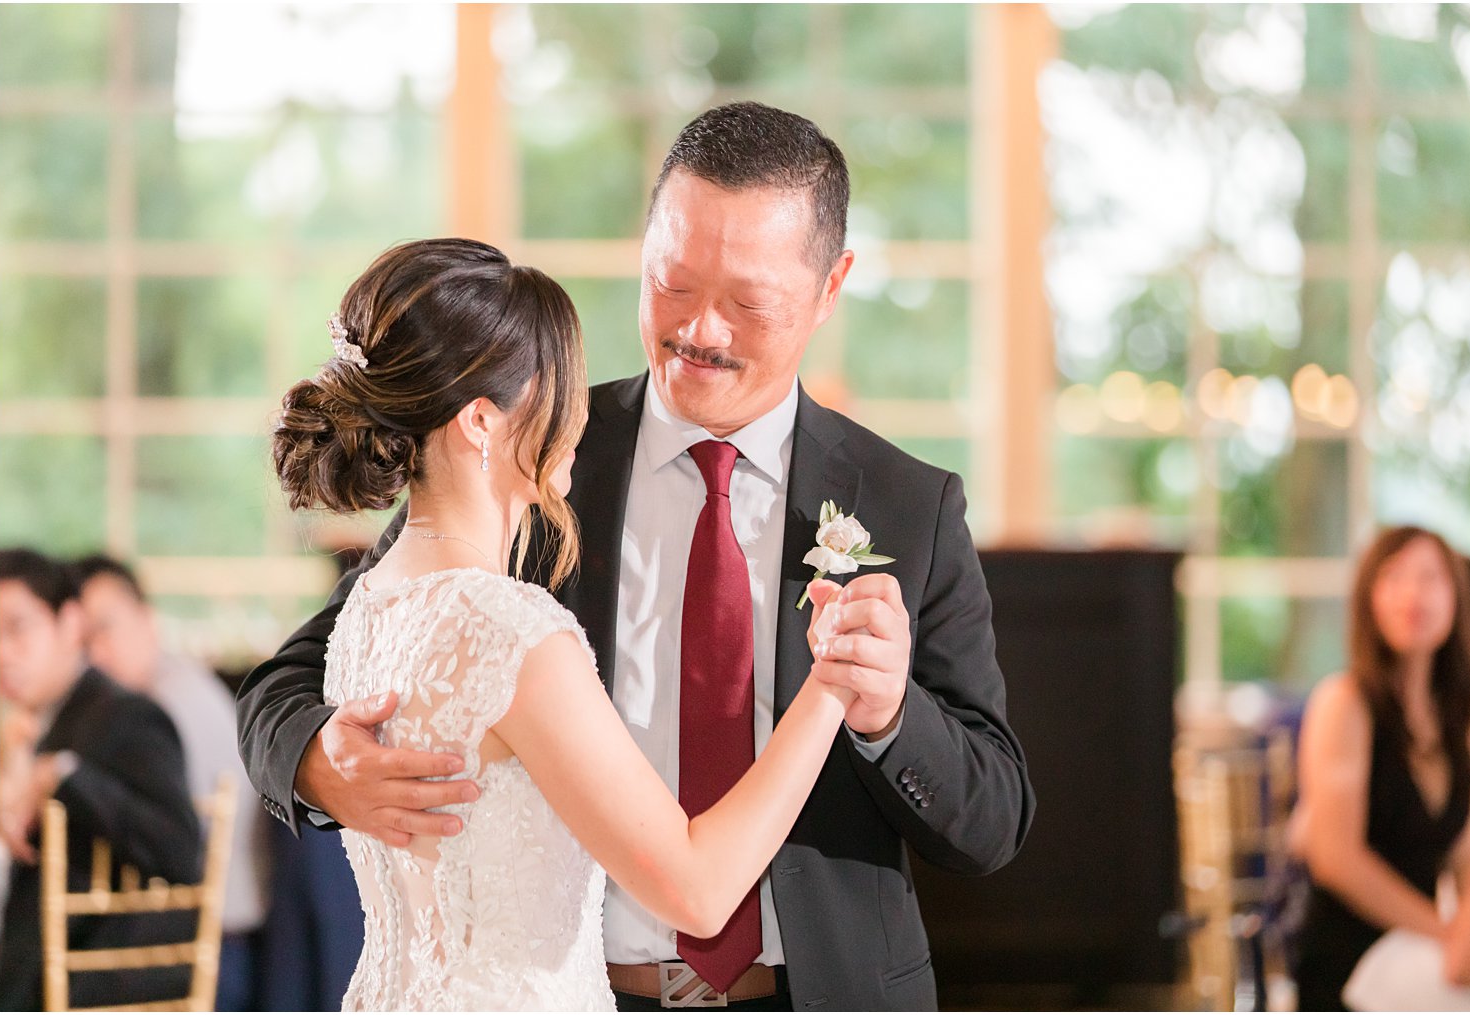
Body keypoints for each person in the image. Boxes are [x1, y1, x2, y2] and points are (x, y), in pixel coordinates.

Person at [238, 102, 1034, 1010]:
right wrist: (315, 762)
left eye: (747, 303)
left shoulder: (909, 504)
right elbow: (299, 673)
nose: (702, 330)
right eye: (673, 283)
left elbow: (994, 818)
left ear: (829, 285)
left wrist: (887, 710)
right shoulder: (530, 461)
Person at [261, 236, 864, 1010]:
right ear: (481, 420)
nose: (580, 409)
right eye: (558, 382)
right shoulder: (515, 634)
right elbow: (699, 887)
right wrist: (831, 684)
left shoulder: (371, 607)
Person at [1289, 526, 1470, 1009]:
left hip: (1420, 950)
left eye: (1431, 578)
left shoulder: (1454, 718)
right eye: (1394, 576)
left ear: (1456, 598)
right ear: (1369, 598)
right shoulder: (1344, 704)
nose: (1413, 594)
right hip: (1352, 960)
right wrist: (1448, 933)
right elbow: (1335, 858)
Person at [0, 549, 202, 1010]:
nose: (0, 653)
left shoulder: (128, 716)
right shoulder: (42, 723)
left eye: (16, 628)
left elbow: (182, 852)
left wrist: (61, 775)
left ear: (70, 625)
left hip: (94, 980)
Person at [73, 554, 272, 1011]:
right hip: (207, 936)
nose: (95, 653)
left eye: (106, 628)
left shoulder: (169, 707)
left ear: (148, 621)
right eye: (82, 639)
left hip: (208, 945)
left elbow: (168, 843)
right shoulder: (166, 689)